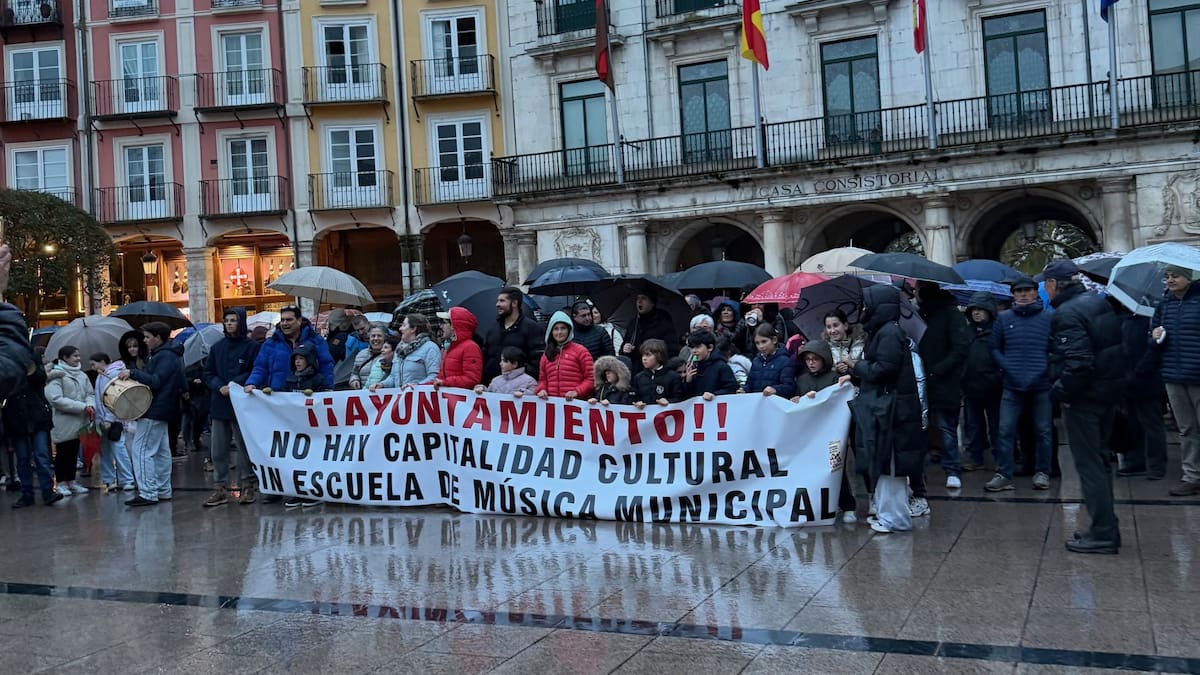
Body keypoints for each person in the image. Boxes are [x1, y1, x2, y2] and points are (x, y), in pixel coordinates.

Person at [1043, 260, 1124, 554]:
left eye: (1046, 284)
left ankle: (1103, 532)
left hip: (1084, 399)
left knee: (1090, 466)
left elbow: (1078, 363)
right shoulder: (1097, 302)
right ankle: (1105, 525)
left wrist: (1060, 392)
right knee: (1099, 463)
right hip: (1105, 394)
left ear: (1053, 284)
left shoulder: (1067, 313)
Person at [849, 285, 925, 534]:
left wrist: (856, 366)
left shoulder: (889, 333)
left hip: (893, 412)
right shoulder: (883, 332)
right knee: (884, 464)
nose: (864, 309)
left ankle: (894, 518)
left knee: (891, 465)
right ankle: (887, 515)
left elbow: (883, 369)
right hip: (889, 408)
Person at [988, 276, 1054, 492]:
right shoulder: (1003, 318)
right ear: (1013, 295)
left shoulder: (1048, 318)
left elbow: (1054, 350)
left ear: (1035, 292)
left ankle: (1043, 471)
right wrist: (1007, 366)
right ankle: (1004, 474)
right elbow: (995, 348)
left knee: (1043, 430)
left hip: (1041, 384)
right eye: (1018, 291)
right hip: (1012, 384)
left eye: (1027, 290)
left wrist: (1043, 368)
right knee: (1005, 430)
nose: (1023, 294)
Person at [119, 321, 185, 507]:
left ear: (158, 337)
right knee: (162, 451)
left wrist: (133, 373)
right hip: (165, 408)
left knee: (141, 450)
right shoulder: (170, 355)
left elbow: (155, 381)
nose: (145, 341)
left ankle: (148, 492)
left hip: (154, 408)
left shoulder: (163, 356)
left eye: (148, 337)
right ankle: (163, 490)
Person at [792, 338, 856, 522]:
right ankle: (822, 504)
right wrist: (797, 400)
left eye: (815, 359)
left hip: (832, 434)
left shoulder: (834, 378)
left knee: (836, 469)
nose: (811, 363)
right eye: (808, 359)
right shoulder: (802, 380)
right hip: (810, 434)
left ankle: (848, 505)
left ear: (824, 359)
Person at [1149, 264, 1200, 496]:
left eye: (1175, 276)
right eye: (1167, 276)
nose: (1170, 280)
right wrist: (1154, 337)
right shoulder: (1164, 304)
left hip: (1197, 374)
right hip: (1173, 375)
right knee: (1186, 429)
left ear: (1188, 278)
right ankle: (1192, 476)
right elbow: (1152, 339)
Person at [915, 280, 972, 490]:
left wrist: (937, 370)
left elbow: (960, 348)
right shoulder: (919, 315)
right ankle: (921, 472)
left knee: (946, 427)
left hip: (944, 381)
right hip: (924, 380)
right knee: (923, 428)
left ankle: (952, 469)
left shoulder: (951, 314)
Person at [203, 308, 261, 507]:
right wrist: (218, 386)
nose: (229, 324)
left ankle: (247, 484)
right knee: (218, 449)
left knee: (244, 447)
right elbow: (208, 372)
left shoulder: (252, 347)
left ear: (241, 322)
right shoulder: (217, 347)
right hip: (220, 403)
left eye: (233, 320)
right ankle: (219, 487)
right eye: (226, 320)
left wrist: (235, 384)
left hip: (242, 405)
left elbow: (255, 370)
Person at [1117, 305, 1167, 481]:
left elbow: (1154, 350)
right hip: (1129, 379)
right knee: (1133, 423)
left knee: (1151, 424)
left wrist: (1138, 371)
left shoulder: (1151, 318)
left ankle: (1156, 465)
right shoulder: (1127, 318)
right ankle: (1136, 461)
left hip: (1147, 379)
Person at [244, 305, 335, 394]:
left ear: (299, 321)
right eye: (282, 320)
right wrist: (252, 383)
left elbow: (326, 366)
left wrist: (327, 389)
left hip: (309, 396)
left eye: (289, 320)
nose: (285, 323)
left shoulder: (316, 341)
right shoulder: (270, 344)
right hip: (277, 397)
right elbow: (260, 368)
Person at [961, 292, 1003, 474]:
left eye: (980, 309)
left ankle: (1000, 459)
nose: (976, 313)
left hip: (994, 387)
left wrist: (997, 377)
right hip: (971, 386)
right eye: (973, 310)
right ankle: (975, 457)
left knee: (997, 425)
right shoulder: (967, 331)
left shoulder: (998, 331)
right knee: (974, 426)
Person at [45, 345, 96, 496]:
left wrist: (90, 404)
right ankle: (61, 482)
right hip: (64, 421)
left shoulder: (82, 375)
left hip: (80, 420)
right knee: (63, 452)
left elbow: (90, 393)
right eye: (75, 356)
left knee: (74, 451)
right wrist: (82, 406)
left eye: (78, 355)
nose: (78, 359)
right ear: (65, 358)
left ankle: (71, 481)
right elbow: (55, 399)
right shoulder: (55, 375)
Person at [91, 352, 136, 493]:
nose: (92, 367)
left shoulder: (111, 375)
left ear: (102, 362)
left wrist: (108, 419)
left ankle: (124, 479)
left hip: (112, 420)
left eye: (93, 363)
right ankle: (114, 480)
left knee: (117, 448)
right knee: (108, 449)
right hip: (105, 419)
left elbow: (113, 399)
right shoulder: (102, 375)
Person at [483, 287, 545, 382]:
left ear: (514, 303)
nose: (497, 304)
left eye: (502, 301)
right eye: (498, 301)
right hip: (491, 386)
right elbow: (485, 356)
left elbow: (537, 361)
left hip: (519, 388)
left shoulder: (532, 328)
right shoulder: (493, 328)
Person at [372, 314, 441, 390]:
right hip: (401, 397)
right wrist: (382, 384)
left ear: (413, 329)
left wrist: (416, 387)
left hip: (420, 396)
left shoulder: (430, 348)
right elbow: (393, 377)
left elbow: (434, 376)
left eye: (404, 325)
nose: (400, 329)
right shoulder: (399, 349)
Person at [537, 310, 594, 400]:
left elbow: (591, 378)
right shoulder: (546, 354)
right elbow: (542, 380)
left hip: (576, 403)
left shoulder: (581, 351)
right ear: (551, 331)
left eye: (563, 328)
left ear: (569, 330)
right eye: (556, 329)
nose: (559, 332)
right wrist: (542, 389)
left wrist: (577, 391)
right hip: (552, 404)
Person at [620, 290, 678, 374]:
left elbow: (672, 348)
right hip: (635, 371)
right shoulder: (634, 323)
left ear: (652, 303)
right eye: (638, 298)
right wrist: (624, 349)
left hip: (655, 371)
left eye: (643, 298)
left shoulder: (663, 322)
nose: (639, 301)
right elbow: (625, 343)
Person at [682, 329, 738, 401]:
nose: (694, 351)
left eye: (697, 347)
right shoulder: (693, 366)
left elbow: (732, 389)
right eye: (692, 348)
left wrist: (714, 394)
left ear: (710, 347)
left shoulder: (721, 366)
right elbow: (687, 396)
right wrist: (688, 382)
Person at [744, 324, 796, 398]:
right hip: (758, 402)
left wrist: (775, 390)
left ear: (774, 340)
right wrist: (744, 390)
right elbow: (750, 384)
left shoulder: (785, 361)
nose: (761, 346)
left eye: (764, 341)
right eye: (757, 343)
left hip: (776, 402)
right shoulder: (756, 361)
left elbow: (789, 387)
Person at [435, 307, 483, 389]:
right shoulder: (449, 348)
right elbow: (440, 379)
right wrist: (416, 387)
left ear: (453, 326)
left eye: (444, 323)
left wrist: (445, 382)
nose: (441, 326)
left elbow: (472, 379)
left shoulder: (470, 347)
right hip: (448, 396)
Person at [632, 339, 684, 407]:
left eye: (648, 355)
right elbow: (634, 398)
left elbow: (680, 399)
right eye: (643, 355)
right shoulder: (638, 377)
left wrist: (669, 402)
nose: (644, 358)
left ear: (659, 356)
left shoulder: (673, 377)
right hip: (645, 413)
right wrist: (637, 403)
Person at [823, 310, 865, 377]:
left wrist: (852, 365)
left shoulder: (860, 345)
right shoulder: (824, 350)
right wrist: (835, 370)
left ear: (845, 325)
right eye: (829, 327)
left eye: (836, 325)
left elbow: (869, 372)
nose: (832, 331)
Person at [348, 324, 387, 390]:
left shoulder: (390, 355)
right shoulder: (361, 354)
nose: (376, 338)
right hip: (363, 393)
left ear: (385, 338)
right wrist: (354, 380)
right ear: (369, 338)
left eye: (379, 336)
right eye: (373, 336)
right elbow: (354, 373)